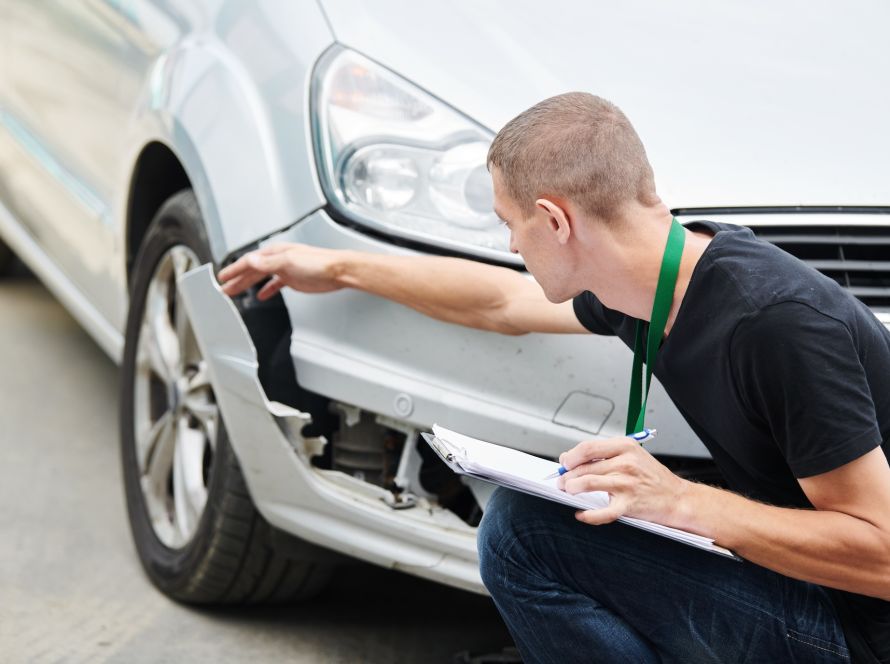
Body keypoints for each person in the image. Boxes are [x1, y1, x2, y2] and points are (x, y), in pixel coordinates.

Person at [217, 93, 890, 663]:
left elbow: (884, 555)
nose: (512, 245)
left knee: (524, 535)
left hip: (863, 630)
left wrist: (681, 502)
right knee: (538, 518)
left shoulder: (776, 323)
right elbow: (500, 302)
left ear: (555, 220)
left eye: (510, 225)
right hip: (808, 589)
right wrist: (337, 268)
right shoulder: (650, 283)